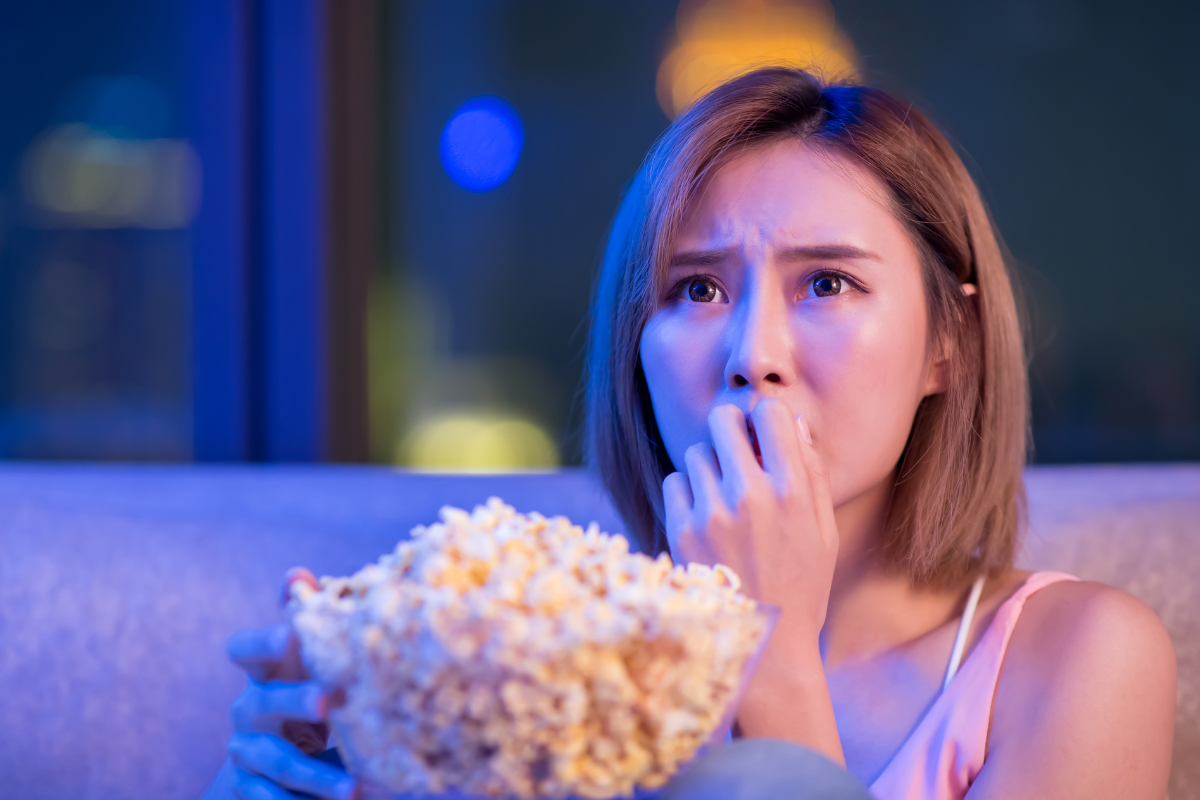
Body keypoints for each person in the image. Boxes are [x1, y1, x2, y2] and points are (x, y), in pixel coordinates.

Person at [205, 68, 1176, 799]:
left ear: (948, 343)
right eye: (697, 289)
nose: (753, 355)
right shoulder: (546, 668)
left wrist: (774, 642)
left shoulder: (1080, 656)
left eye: (827, 282)